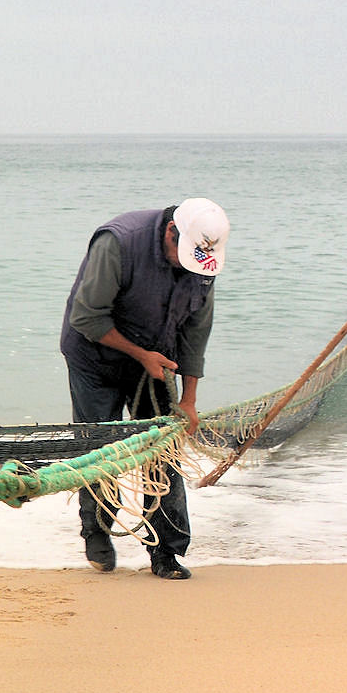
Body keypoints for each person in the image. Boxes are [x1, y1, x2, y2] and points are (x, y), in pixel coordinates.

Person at [59, 199, 229, 580]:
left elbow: (196, 334)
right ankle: (97, 531)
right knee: (100, 448)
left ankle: (166, 551)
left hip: (157, 357)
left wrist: (189, 400)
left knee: (162, 451)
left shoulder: (204, 265)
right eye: (183, 256)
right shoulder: (118, 243)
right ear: (171, 233)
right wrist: (140, 355)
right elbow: (86, 316)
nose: (187, 266)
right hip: (95, 357)